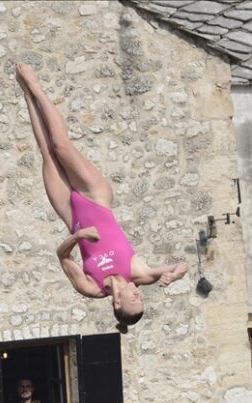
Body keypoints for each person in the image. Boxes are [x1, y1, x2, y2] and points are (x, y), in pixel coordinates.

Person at [16, 63, 188, 333]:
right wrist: (178, 272)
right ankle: (37, 87)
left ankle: (26, 94)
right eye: (141, 298)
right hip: (96, 197)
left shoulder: (92, 288)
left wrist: (77, 237)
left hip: (72, 217)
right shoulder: (139, 274)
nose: (138, 296)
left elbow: (62, 257)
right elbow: (180, 265)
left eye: (134, 301)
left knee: (47, 152)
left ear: (117, 305)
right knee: (62, 146)